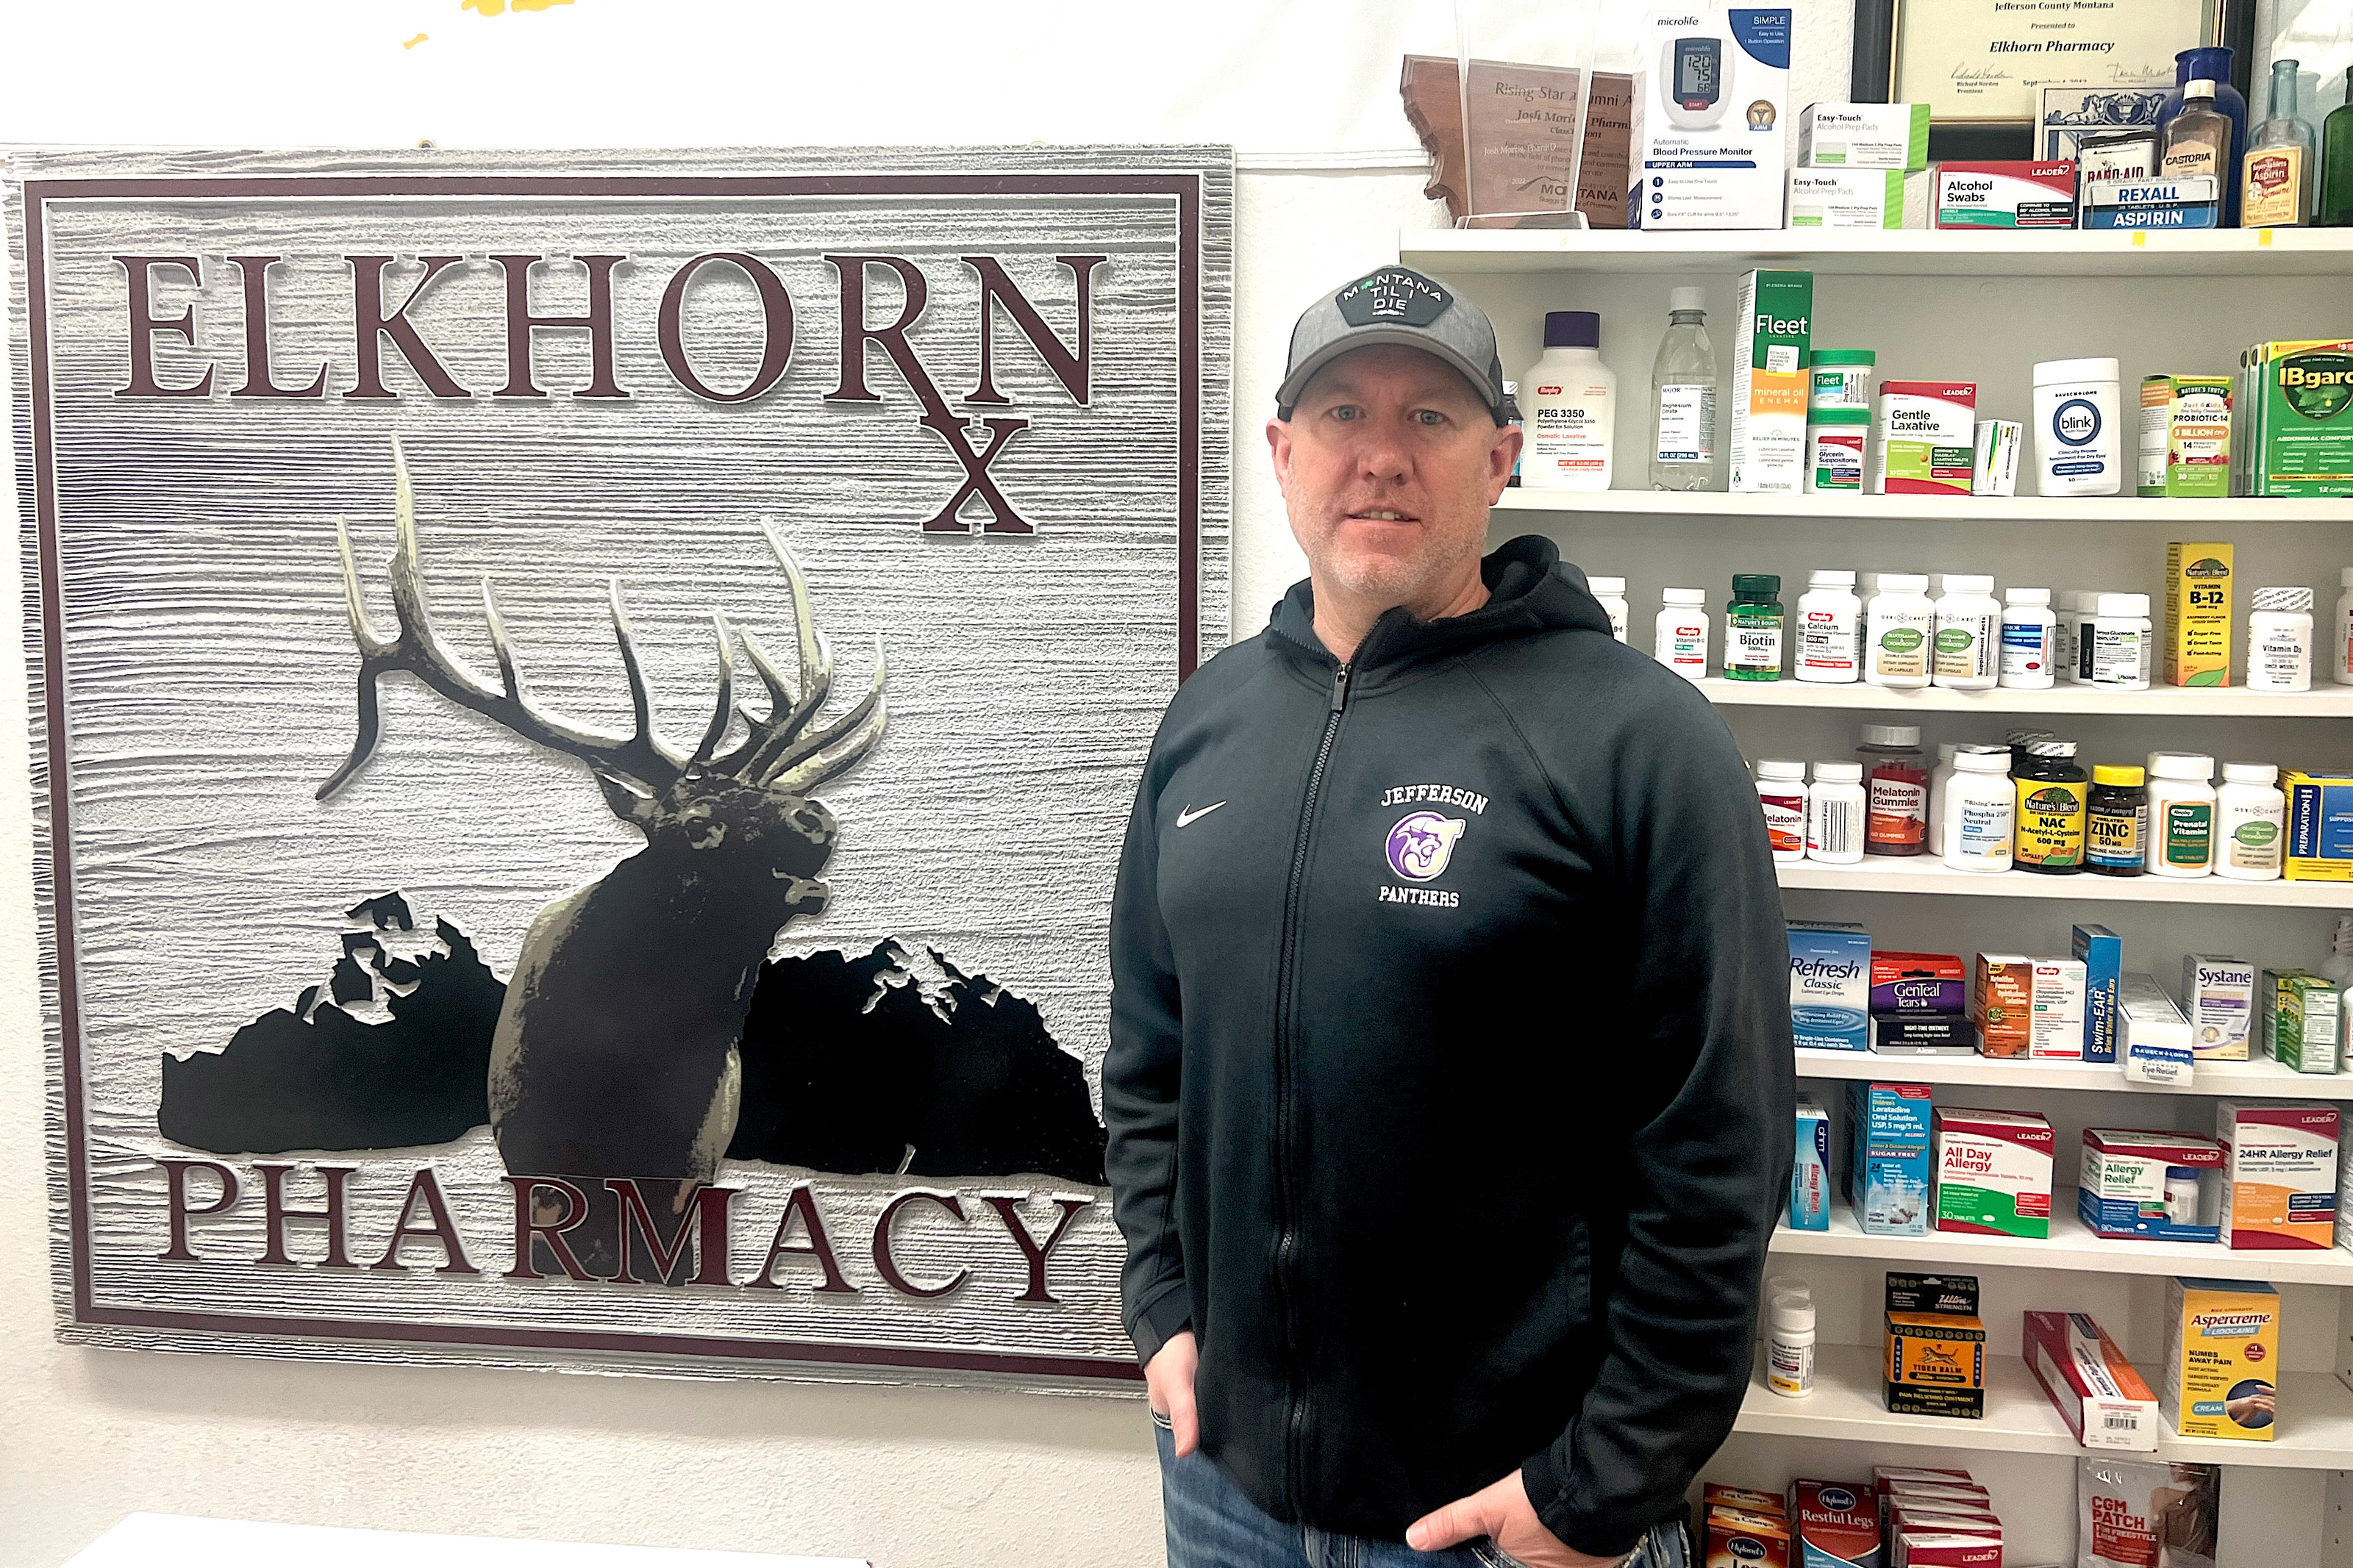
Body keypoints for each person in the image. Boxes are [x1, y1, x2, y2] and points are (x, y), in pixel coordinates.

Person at [1102, 265, 1793, 1568]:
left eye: (1430, 418)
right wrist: (1164, 1311)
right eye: (1344, 413)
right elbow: (1151, 1063)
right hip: (1224, 1494)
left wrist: (1599, 1487)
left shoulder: (1637, 739)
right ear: (1282, 452)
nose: (1381, 458)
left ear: (1502, 458)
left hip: (1504, 1522)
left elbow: (1720, 1150)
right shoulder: (1210, 723)